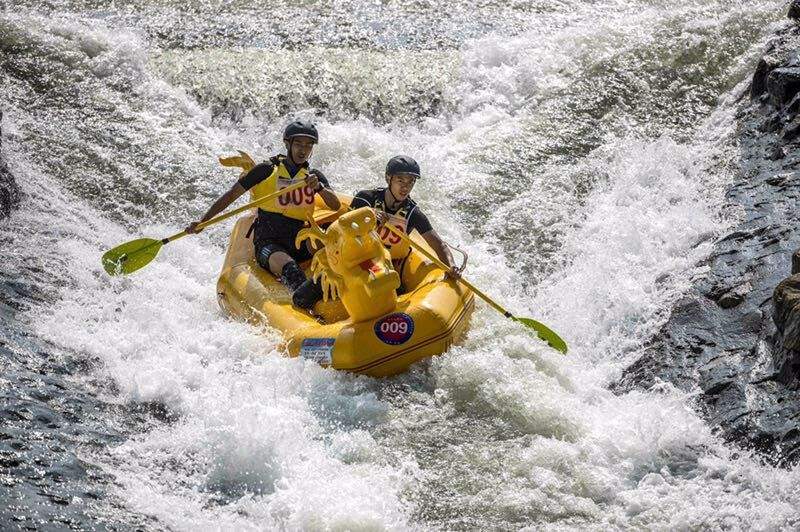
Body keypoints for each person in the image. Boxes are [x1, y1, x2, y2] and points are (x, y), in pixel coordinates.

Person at [186, 120, 341, 308]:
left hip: (299, 239)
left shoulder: (314, 176)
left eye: (308, 146)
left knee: (337, 245)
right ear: (287, 144)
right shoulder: (266, 170)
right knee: (290, 269)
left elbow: (334, 205)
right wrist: (203, 221)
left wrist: (319, 187)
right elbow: (231, 195)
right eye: (299, 144)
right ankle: (311, 306)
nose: (303, 150)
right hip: (269, 242)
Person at [352, 155, 462, 281]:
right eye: (400, 181)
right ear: (388, 178)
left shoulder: (413, 214)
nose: (406, 187)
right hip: (358, 260)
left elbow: (439, 245)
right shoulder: (365, 198)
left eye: (411, 182)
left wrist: (452, 266)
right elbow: (342, 227)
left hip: (388, 268)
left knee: (381, 280)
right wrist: (369, 216)